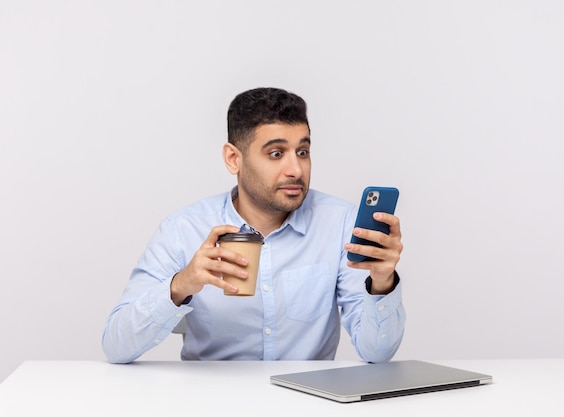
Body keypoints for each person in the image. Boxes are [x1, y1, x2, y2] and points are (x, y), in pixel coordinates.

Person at [102, 87, 406, 364]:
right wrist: (180, 285)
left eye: (302, 151)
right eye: (276, 154)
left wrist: (382, 282)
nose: (295, 169)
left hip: (307, 404)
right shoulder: (184, 229)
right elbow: (116, 347)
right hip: (211, 404)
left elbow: (377, 355)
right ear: (234, 159)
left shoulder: (340, 224)